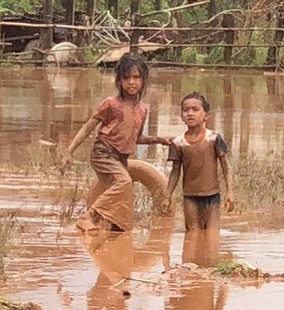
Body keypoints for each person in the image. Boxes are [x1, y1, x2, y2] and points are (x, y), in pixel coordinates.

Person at [61, 53, 171, 232]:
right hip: (103, 153)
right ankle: (87, 217)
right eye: (126, 78)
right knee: (124, 182)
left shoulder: (142, 110)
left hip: (121, 159)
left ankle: (115, 231)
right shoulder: (110, 104)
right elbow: (87, 128)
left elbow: (136, 138)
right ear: (119, 81)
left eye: (136, 77)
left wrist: (160, 140)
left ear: (144, 80)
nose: (131, 82)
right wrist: (69, 152)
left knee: (122, 198)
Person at [162, 92, 235, 233]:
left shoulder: (214, 139)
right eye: (186, 110)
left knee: (212, 234)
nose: (190, 113)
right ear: (181, 116)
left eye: (195, 110)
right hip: (190, 197)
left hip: (212, 196)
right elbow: (175, 171)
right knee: (192, 235)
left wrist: (230, 192)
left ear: (206, 115)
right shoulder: (178, 143)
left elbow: (226, 166)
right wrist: (167, 196)